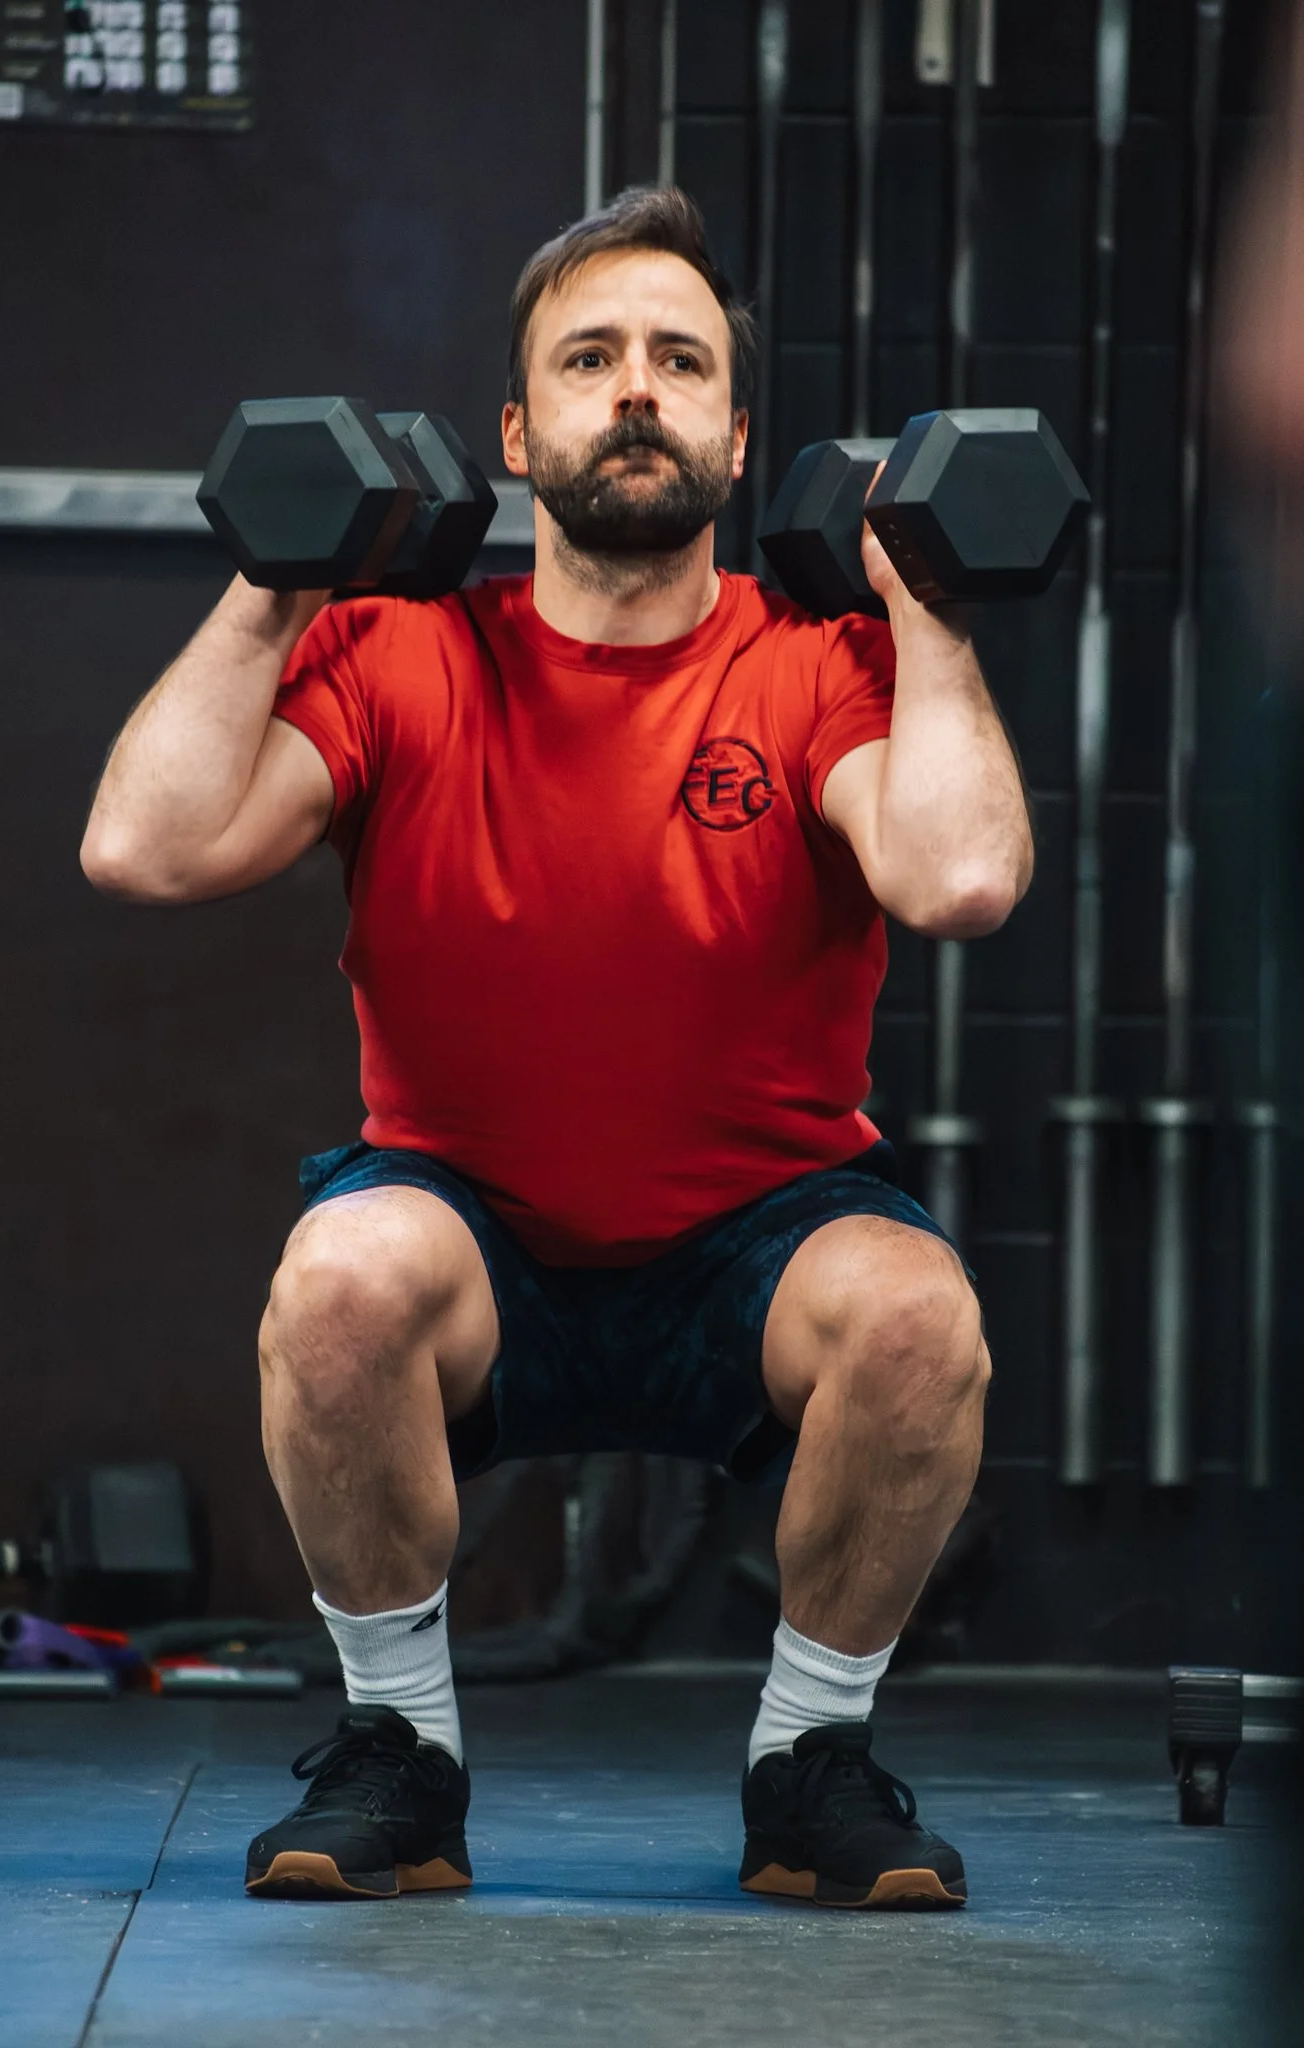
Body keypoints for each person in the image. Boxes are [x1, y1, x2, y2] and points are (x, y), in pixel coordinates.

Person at [80, 187, 1029, 1911]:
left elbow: (958, 876)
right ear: (517, 435)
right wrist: (271, 583)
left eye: (681, 361)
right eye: (591, 361)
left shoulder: (822, 665)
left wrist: (934, 617)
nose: (639, 392)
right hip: (468, 1229)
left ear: (741, 438)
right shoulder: (396, 655)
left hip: (762, 1238)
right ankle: (404, 1759)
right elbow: (146, 848)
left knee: (919, 1317)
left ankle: (808, 1764)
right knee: (338, 1277)